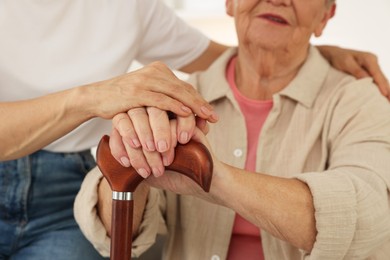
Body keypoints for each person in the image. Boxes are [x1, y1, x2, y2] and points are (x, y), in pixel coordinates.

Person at [0, 0, 387, 259]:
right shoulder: (181, 99)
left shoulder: (358, 100)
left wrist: (211, 176)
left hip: (62, 184)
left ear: (326, 16)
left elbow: (369, 214)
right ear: (230, 2)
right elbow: (106, 229)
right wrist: (131, 155)